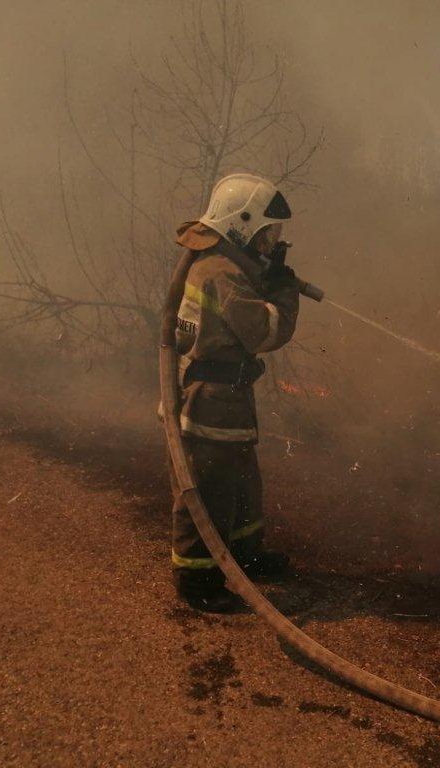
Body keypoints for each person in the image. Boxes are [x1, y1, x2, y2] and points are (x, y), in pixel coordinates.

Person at [168, 173, 300, 612]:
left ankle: (244, 556)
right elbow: (263, 331)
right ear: (241, 223)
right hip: (214, 397)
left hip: (225, 392)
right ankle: (197, 579)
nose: (269, 242)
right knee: (210, 487)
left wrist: (265, 274)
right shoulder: (221, 273)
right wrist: (283, 292)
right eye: (265, 233)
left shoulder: (216, 264)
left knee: (242, 478)